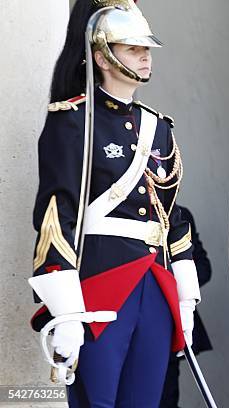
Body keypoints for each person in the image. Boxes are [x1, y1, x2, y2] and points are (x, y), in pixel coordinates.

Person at [27, 1, 201, 406]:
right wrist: (67, 310)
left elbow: (172, 217)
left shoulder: (159, 129)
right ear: (103, 56)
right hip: (99, 286)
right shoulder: (72, 120)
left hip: (156, 285)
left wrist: (187, 297)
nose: (144, 55)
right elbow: (57, 217)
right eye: (131, 48)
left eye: (146, 48)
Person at [160, 205, 213, 408]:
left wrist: (166, 283)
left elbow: (204, 268)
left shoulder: (180, 214)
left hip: (170, 321)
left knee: (166, 399)